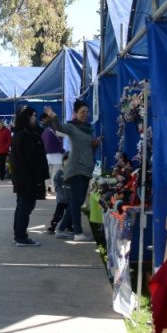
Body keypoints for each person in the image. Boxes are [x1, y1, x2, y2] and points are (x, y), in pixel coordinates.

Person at [42, 102, 102, 242]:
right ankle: (78, 232)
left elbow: (88, 151)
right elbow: (60, 127)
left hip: (86, 169)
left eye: (87, 111)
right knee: (75, 201)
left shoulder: (88, 129)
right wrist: (53, 116)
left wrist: (94, 146)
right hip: (75, 168)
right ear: (75, 114)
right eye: (82, 112)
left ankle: (61, 229)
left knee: (78, 201)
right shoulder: (72, 127)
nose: (85, 114)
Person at [10, 106, 48, 247]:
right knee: (25, 207)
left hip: (23, 177)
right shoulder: (25, 135)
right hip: (27, 178)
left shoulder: (22, 132)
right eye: (33, 116)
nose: (35, 119)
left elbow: (41, 132)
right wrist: (38, 179)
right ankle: (21, 237)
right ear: (27, 117)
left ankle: (18, 234)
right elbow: (33, 159)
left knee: (22, 206)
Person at [47, 152, 75, 239]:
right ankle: (53, 226)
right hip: (61, 199)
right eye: (66, 160)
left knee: (70, 214)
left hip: (70, 198)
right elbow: (56, 182)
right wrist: (58, 190)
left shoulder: (73, 173)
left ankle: (69, 226)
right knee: (58, 214)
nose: (67, 162)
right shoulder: (59, 172)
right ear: (63, 161)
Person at [41, 121, 65, 195]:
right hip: (57, 155)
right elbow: (66, 135)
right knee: (56, 172)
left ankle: (45, 189)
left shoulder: (45, 132)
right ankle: (54, 189)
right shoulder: (56, 131)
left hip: (47, 154)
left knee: (48, 173)